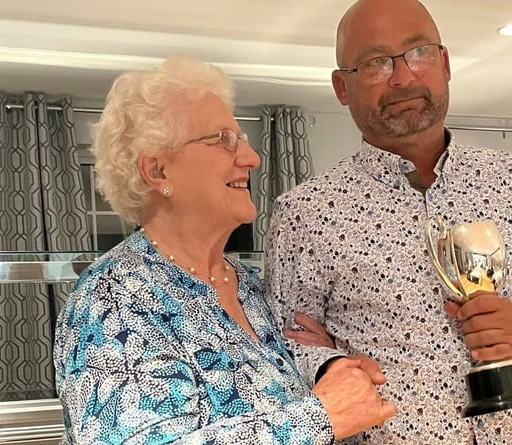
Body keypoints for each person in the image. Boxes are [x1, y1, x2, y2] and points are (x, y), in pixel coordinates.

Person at [264, 0, 512, 444]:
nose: (404, 76)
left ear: (444, 64)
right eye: (374, 63)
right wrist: (329, 364)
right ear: (341, 88)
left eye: (419, 52)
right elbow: (280, 346)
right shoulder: (304, 214)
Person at [52, 54, 396, 445]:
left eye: (242, 140)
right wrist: (320, 418)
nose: (251, 159)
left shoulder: (249, 286)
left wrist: (329, 364)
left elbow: (290, 388)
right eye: (222, 140)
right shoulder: (112, 300)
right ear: (157, 171)